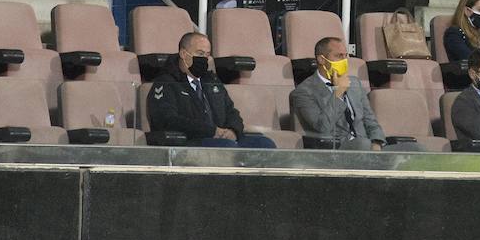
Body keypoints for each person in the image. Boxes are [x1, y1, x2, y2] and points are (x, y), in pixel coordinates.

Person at [289, 36, 423, 151]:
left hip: (367, 147)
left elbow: (370, 120)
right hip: (337, 150)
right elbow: (322, 128)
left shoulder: (354, 84)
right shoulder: (304, 92)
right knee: (362, 144)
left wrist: (377, 142)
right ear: (321, 60)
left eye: (345, 56)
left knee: (415, 149)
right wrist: (338, 93)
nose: (344, 60)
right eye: (338, 56)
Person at [146, 32, 276, 149]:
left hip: (222, 140)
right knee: (226, 147)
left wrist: (233, 130)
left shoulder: (212, 81)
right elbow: (166, 120)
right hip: (192, 142)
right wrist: (211, 131)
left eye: (207, 55)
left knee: (264, 144)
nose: (204, 59)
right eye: (200, 54)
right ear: (183, 54)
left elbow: (231, 111)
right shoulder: (166, 83)